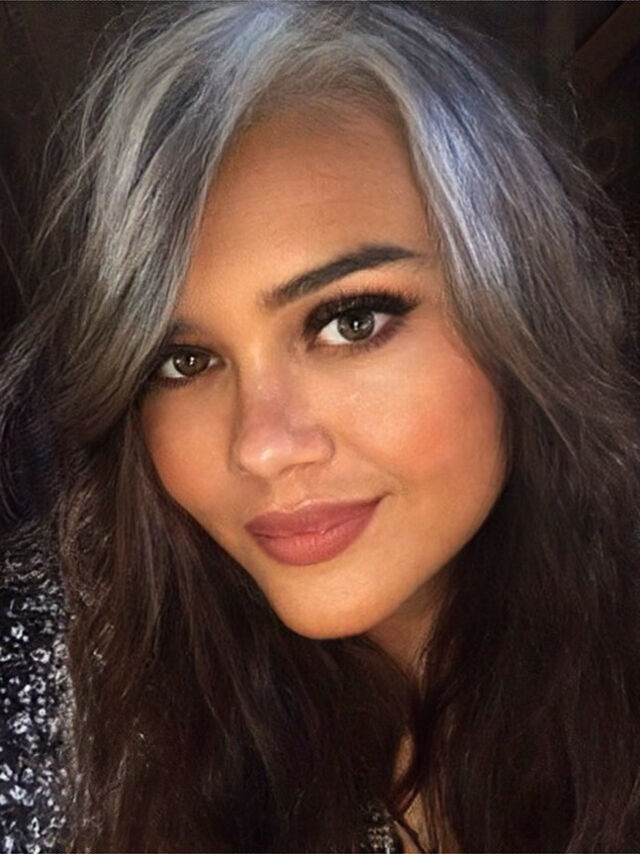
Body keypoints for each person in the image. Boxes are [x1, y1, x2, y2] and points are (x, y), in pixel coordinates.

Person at [1, 2, 640, 851]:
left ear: (524, 309)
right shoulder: (58, 679)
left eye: (350, 321)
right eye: (182, 361)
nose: (262, 447)